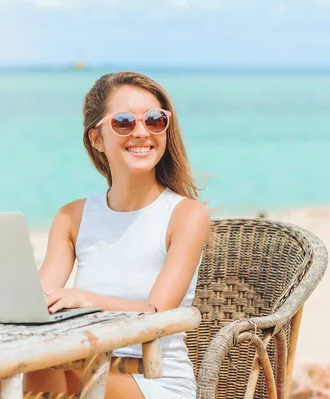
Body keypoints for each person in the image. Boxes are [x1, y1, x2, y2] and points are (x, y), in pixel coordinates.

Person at [24, 71, 210, 399]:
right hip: (80, 364)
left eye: (154, 120)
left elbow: (158, 313)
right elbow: (40, 301)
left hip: (154, 378)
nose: (142, 132)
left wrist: (87, 300)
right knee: (34, 363)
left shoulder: (185, 216)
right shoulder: (72, 217)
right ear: (97, 139)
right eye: (124, 122)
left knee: (51, 363)